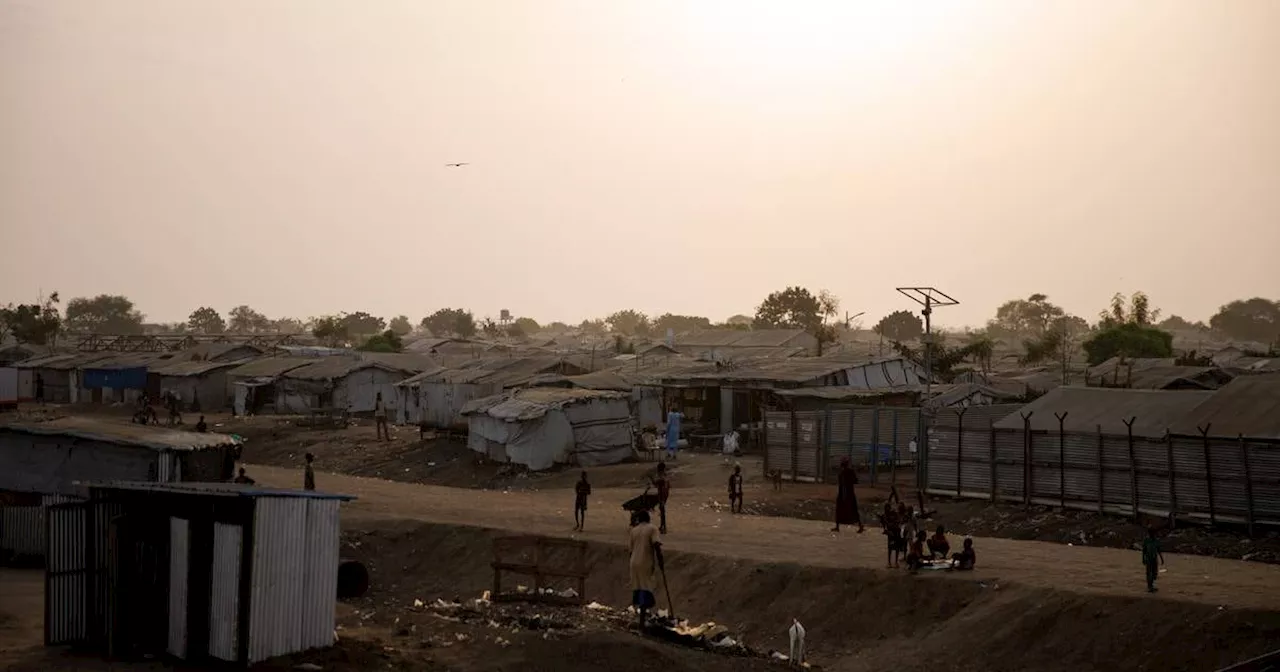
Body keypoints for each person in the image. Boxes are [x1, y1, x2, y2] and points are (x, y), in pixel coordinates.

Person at [628, 510, 663, 628]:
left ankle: (641, 617)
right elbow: (657, 545)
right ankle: (642, 622)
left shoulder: (634, 530)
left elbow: (631, 550)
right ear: (648, 518)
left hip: (633, 562)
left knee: (638, 587)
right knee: (646, 587)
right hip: (645, 562)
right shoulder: (652, 529)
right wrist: (661, 561)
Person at [831, 457, 865, 533]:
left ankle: (838, 527)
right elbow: (855, 481)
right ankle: (860, 526)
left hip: (846, 494)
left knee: (848, 510)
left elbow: (853, 481)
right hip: (848, 494)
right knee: (850, 510)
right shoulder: (847, 472)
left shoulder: (844, 473)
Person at [1142, 527, 1165, 593]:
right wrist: (1143, 558)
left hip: (1154, 558)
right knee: (1149, 573)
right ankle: (1150, 586)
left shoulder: (1156, 540)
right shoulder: (1147, 540)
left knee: (1154, 573)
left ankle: (1151, 585)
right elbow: (1144, 551)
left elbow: (1159, 550)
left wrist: (1161, 558)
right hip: (1149, 558)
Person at [881, 502, 902, 569]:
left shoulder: (894, 513)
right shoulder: (884, 515)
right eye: (885, 508)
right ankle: (889, 562)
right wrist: (886, 530)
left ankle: (895, 562)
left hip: (896, 531)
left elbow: (898, 521)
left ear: (889, 508)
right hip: (891, 532)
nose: (887, 509)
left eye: (887, 508)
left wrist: (892, 525)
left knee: (897, 548)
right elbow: (884, 525)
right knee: (890, 547)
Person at [652, 462, 670, 534]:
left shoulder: (661, 477)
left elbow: (657, 484)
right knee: (662, 511)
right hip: (664, 495)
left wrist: (652, 480)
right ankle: (663, 526)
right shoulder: (664, 476)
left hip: (662, 495)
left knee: (662, 511)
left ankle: (663, 527)